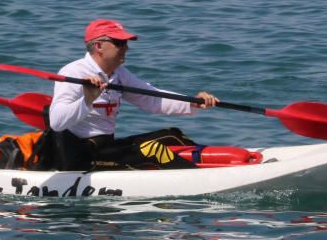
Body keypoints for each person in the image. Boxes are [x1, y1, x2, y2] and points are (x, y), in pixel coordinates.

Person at [47, 18, 219, 170]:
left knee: (173, 135)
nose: (126, 48)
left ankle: (215, 163)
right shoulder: (72, 73)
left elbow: (151, 98)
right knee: (151, 148)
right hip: (81, 156)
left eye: (126, 43)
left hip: (107, 147)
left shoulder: (119, 73)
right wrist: (87, 99)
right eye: (119, 43)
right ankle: (200, 180)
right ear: (99, 46)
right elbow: (56, 122)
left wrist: (193, 103)